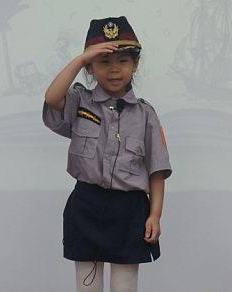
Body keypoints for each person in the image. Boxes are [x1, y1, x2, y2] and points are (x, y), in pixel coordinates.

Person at [43, 16, 172, 292]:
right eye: (103, 62)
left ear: (135, 64)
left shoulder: (146, 114)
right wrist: (80, 59)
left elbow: (157, 170)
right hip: (86, 206)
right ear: (90, 68)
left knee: (124, 287)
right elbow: (52, 98)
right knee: (87, 287)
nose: (114, 69)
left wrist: (155, 215)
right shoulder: (80, 101)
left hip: (130, 211)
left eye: (123, 61)